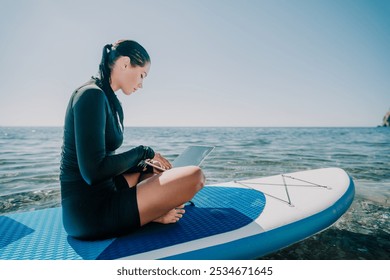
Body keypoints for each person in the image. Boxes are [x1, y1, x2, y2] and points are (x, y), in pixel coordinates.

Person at [60, 40, 205, 240]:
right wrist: (143, 152)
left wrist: (143, 164)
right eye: (142, 75)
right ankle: (154, 215)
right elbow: (93, 172)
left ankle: (152, 209)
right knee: (194, 177)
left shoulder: (105, 96)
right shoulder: (90, 95)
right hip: (89, 212)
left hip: (104, 190)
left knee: (150, 171)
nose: (141, 84)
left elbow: (102, 164)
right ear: (125, 63)